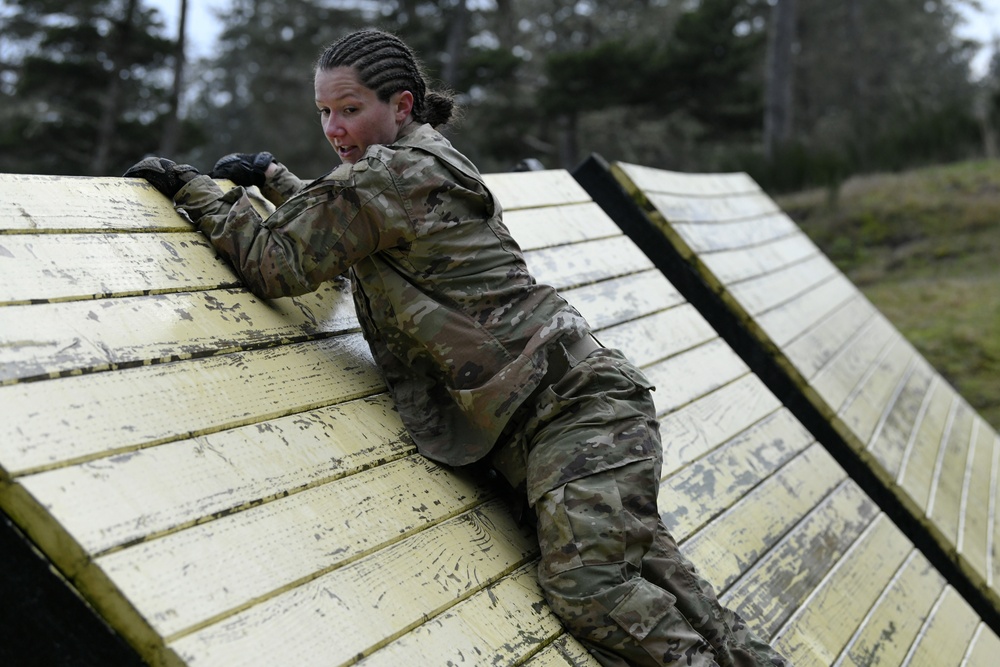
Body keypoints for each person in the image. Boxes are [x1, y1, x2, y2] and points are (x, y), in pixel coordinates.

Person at [124, 28, 789, 667]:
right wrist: (275, 179)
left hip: (572, 417)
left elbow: (276, 262)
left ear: (400, 104)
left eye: (350, 110)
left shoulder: (388, 177)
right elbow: (358, 237)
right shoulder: (425, 157)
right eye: (324, 111)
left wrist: (197, 191)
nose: (334, 129)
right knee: (681, 595)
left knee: (592, 589)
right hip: (576, 410)